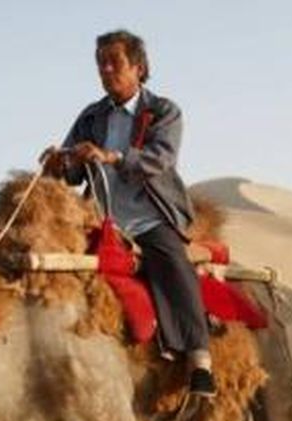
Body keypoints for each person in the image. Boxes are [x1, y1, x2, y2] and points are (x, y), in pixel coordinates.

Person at [44, 29, 215, 397]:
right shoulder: (91, 117)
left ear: (138, 67)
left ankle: (200, 360)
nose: (106, 70)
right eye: (100, 64)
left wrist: (112, 157)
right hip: (101, 218)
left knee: (172, 263)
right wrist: (61, 162)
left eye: (114, 63)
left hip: (151, 216)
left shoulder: (164, 111)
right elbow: (74, 174)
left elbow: (160, 159)